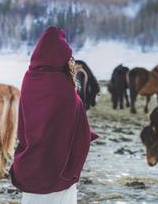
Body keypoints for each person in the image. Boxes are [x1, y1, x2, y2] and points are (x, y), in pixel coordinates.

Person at [9, 26, 98, 204]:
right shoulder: (63, 86)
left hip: (32, 162)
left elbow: (25, 122)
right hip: (58, 169)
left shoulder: (29, 78)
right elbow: (78, 127)